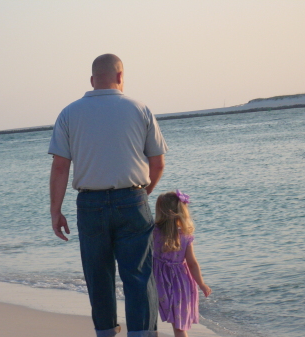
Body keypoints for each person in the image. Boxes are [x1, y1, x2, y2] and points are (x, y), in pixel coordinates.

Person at [48, 54, 168, 337]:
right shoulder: (140, 109)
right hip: (133, 198)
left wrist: (55, 211)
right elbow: (158, 163)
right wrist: (143, 194)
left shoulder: (69, 113)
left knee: (98, 277)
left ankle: (106, 333)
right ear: (120, 76)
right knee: (138, 276)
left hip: (90, 203)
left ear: (92, 80)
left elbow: (60, 167)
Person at [153, 190, 212, 337]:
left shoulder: (153, 232)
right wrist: (202, 284)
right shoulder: (185, 236)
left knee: (149, 314)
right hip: (181, 283)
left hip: (159, 281)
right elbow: (192, 264)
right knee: (179, 325)